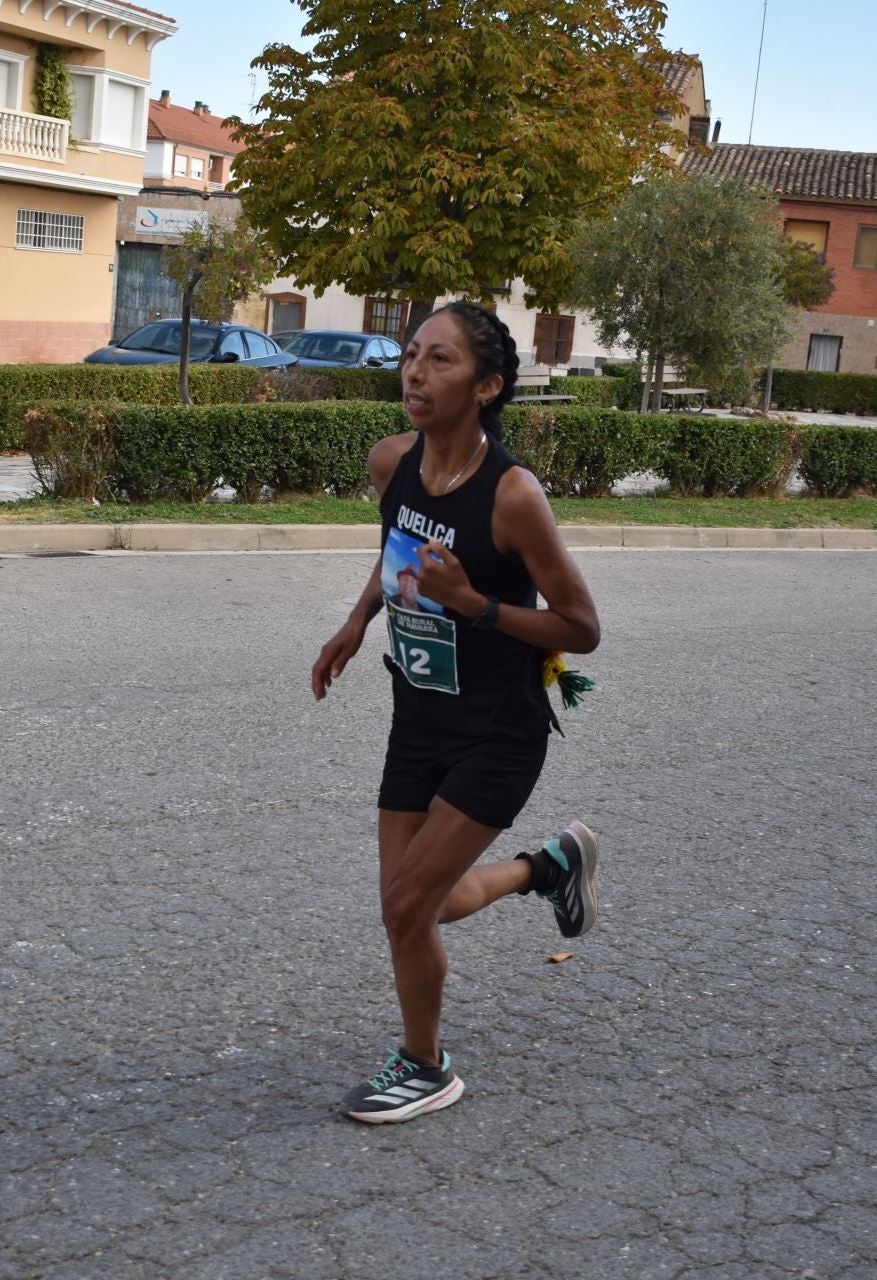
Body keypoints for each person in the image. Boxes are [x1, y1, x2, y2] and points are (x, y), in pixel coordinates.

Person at [311, 301, 601, 1125]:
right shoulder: (391, 461)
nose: (415, 372)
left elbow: (582, 628)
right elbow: (395, 552)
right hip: (420, 713)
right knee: (411, 906)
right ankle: (544, 870)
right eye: (412, 354)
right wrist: (356, 621)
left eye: (441, 360)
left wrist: (475, 605)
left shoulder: (513, 497)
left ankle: (425, 1064)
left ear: (488, 386)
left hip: (499, 729)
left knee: (408, 905)